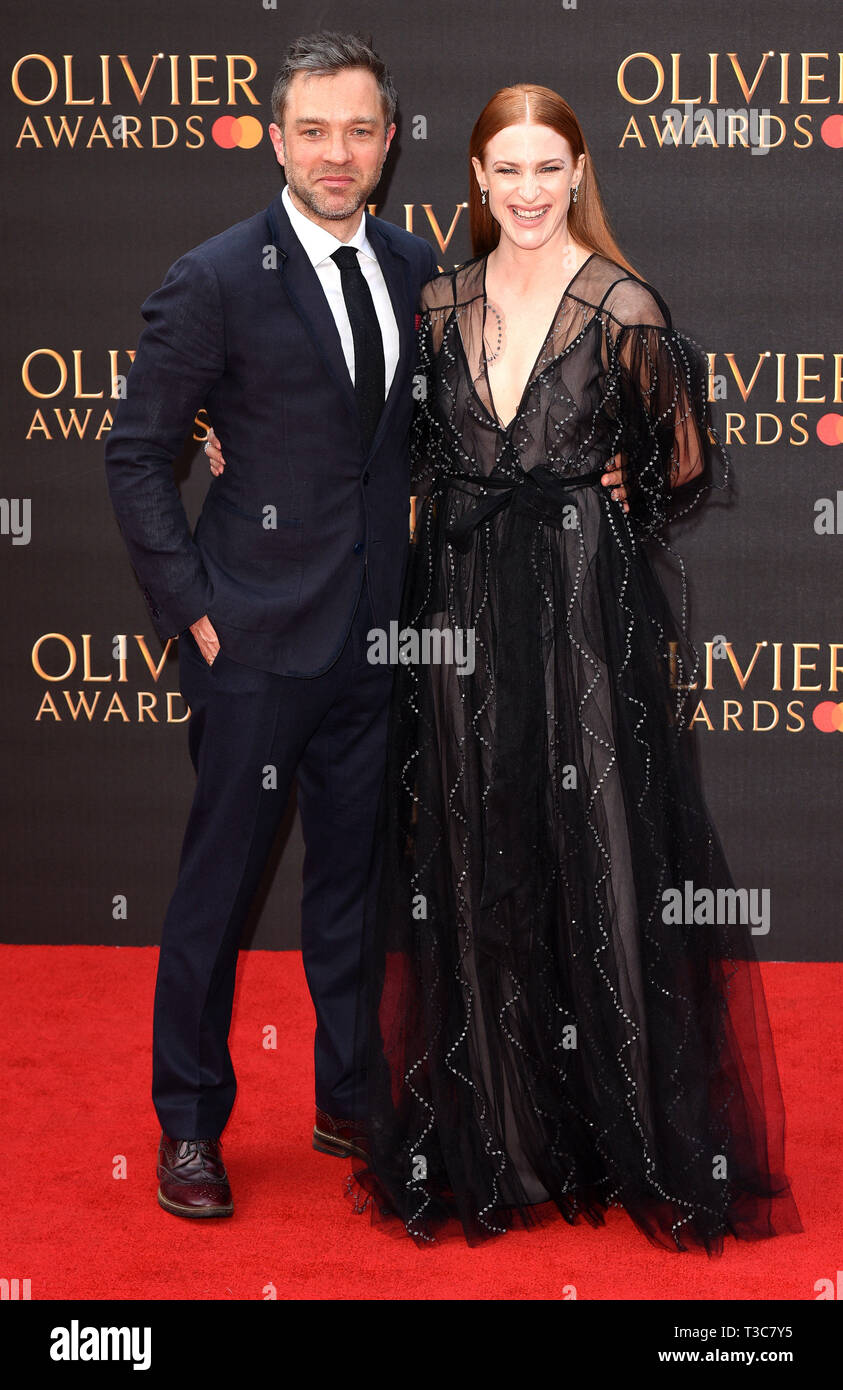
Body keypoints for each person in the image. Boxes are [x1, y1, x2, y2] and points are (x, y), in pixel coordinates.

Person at [338, 84, 804, 1253]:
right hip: (458, 615)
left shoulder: (624, 305)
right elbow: (413, 455)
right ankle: (497, 1131)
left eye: (552, 168)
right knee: (474, 853)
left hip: (584, 615)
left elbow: (685, 460)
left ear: (580, 173)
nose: (532, 191)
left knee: (604, 857)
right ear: (479, 181)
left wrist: (617, 489)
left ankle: (630, 1133)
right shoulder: (440, 302)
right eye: (511, 170)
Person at [104, 31, 448, 1220]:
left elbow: (421, 442)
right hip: (249, 644)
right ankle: (189, 1125)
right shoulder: (213, 275)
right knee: (221, 888)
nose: (338, 152)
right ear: (275, 137)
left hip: (374, 639)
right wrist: (194, 614)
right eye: (314, 130)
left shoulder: (415, 263)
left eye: (360, 129)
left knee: (353, 880)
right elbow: (139, 455)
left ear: (391, 141)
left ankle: (347, 1093)